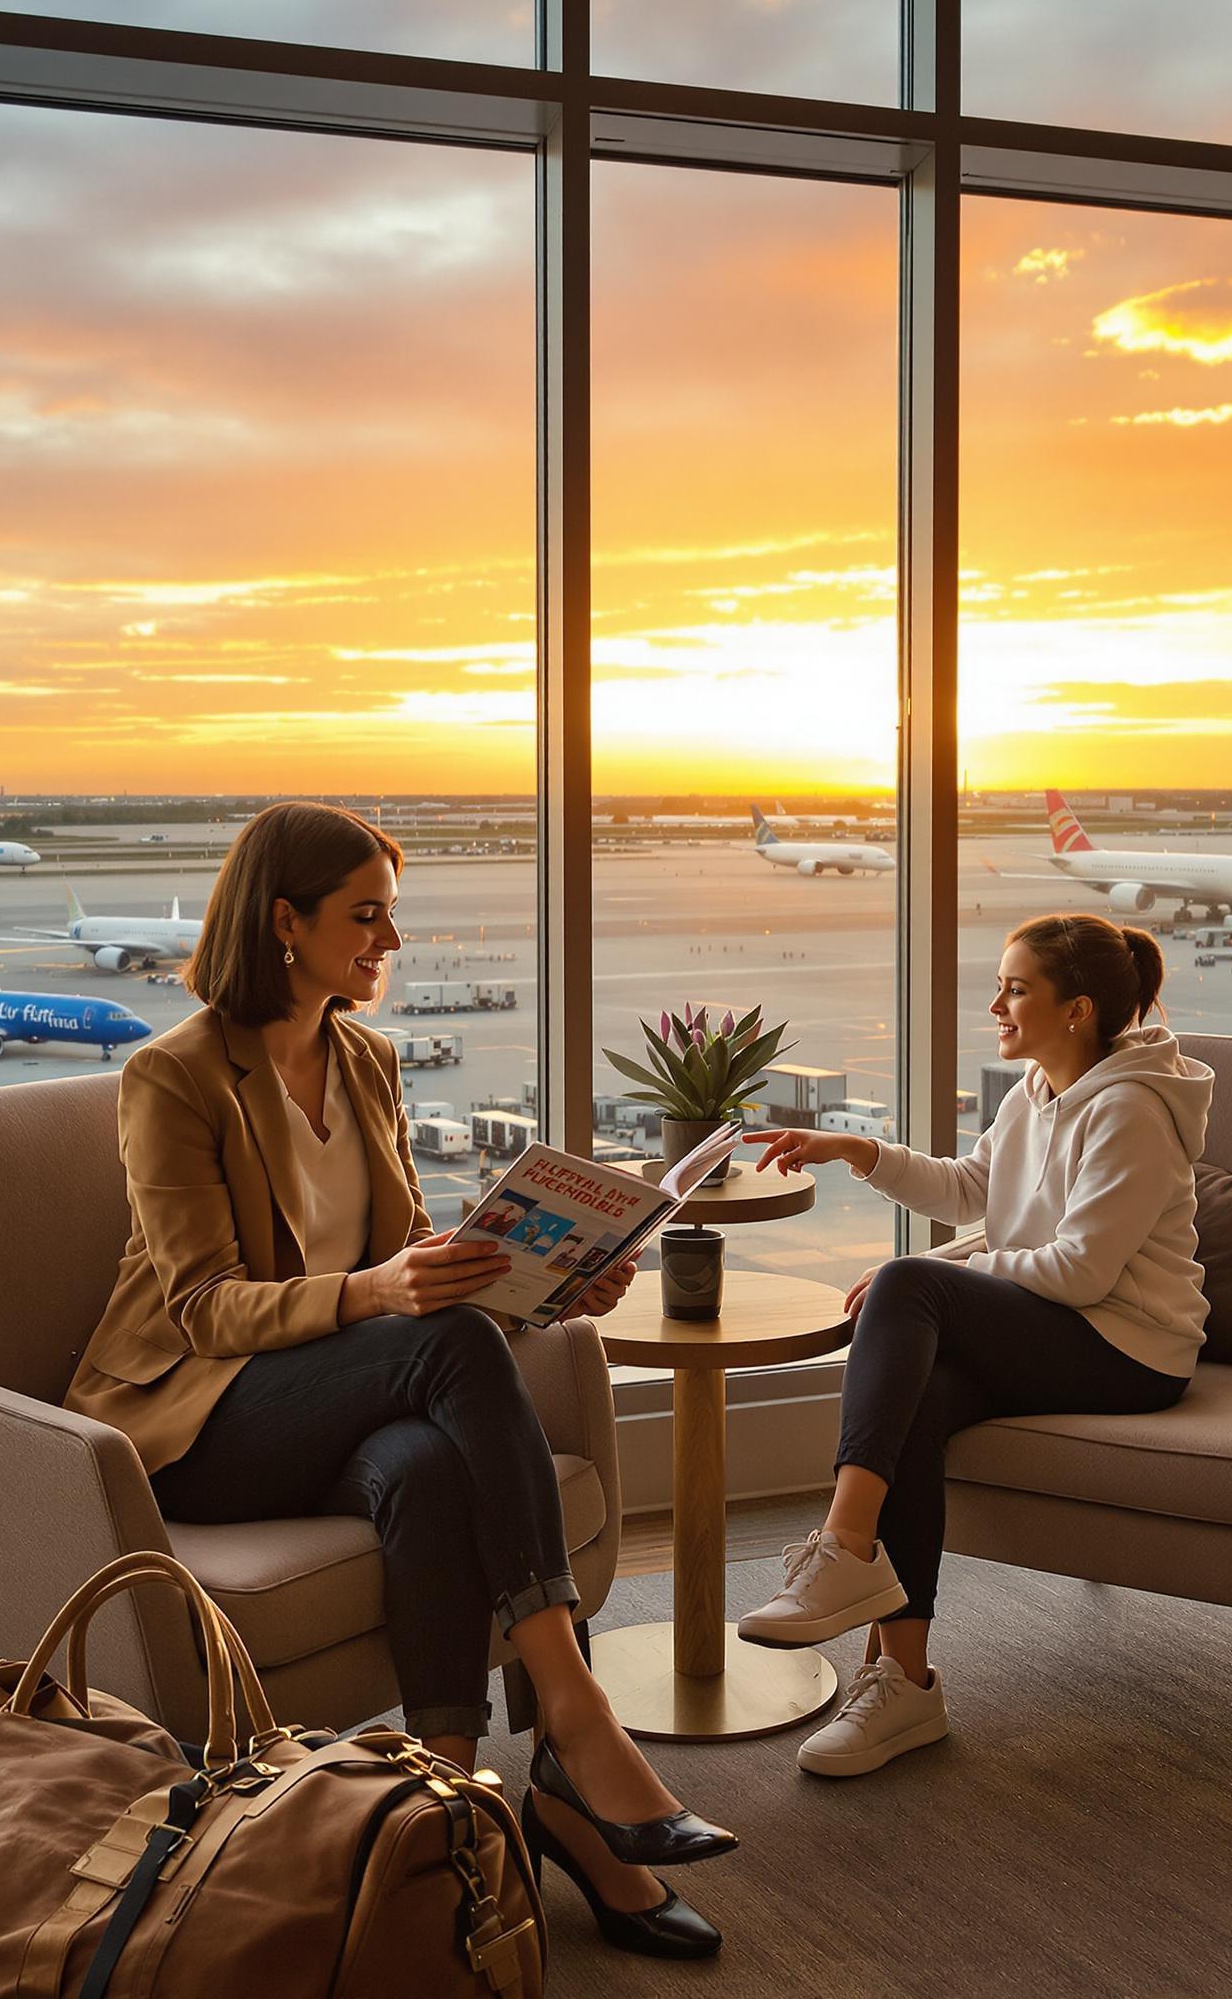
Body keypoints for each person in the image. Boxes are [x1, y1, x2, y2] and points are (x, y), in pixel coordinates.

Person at [66, 801, 732, 1961]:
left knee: (426, 1465)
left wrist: (549, 1282)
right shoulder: (174, 1077)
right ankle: (573, 1722)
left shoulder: (364, 1056)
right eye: (363, 915)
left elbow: (421, 1252)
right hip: (201, 1415)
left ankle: (455, 1819)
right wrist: (384, 1292)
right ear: (285, 922)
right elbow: (202, 1308)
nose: (389, 939)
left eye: (390, 913)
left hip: (348, 1389)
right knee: (450, 1352)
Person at [741, 910, 1210, 1779]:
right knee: (922, 1396)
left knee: (907, 1284)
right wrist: (858, 1149)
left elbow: (1078, 1273)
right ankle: (905, 1685)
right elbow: (971, 1192)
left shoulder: (1134, 1110)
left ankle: (846, 1548)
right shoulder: (1038, 1092)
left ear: (1076, 1010)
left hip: (1133, 1351)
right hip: (1067, 1331)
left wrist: (928, 1275)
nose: (996, 1003)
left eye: (1016, 988)